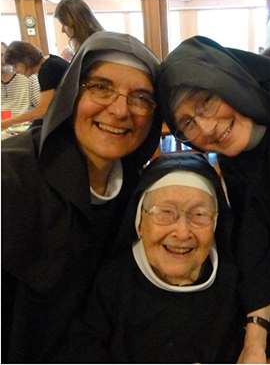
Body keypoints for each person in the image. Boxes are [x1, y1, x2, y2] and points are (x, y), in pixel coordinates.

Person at [1, 31, 161, 363]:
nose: (119, 110)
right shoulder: (11, 178)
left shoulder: (139, 193)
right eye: (101, 87)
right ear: (72, 94)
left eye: (141, 97)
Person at [156, 35, 270, 363]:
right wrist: (255, 341)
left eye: (206, 100)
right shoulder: (237, 156)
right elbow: (258, 243)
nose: (206, 128)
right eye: (188, 123)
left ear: (230, 80)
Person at [54, 152, 249, 363]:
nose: (182, 233)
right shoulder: (111, 283)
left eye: (199, 215)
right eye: (164, 212)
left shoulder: (237, 282)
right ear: (139, 222)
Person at [2, 41, 69, 130]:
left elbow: (43, 109)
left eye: (15, 66)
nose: (15, 71)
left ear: (25, 60)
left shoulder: (47, 70)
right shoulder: (51, 61)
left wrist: (9, 122)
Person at [1, 41, 40, 116]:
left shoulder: (28, 78)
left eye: (2, 55)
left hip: (24, 124)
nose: (1, 60)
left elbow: (41, 107)